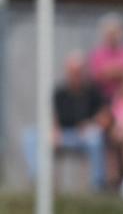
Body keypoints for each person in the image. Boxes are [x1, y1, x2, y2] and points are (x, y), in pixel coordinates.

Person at [21, 51, 109, 191]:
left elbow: (105, 118)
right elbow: (53, 117)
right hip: (63, 135)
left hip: (84, 136)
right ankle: (39, 180)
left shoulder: (93, 92)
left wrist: (91, 124)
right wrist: (54, 131)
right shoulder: (59, 93)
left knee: (96, 138)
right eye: (72, 72)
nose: (75, 75)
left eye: (78, 72)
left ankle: (97, 185)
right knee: (31, 135)